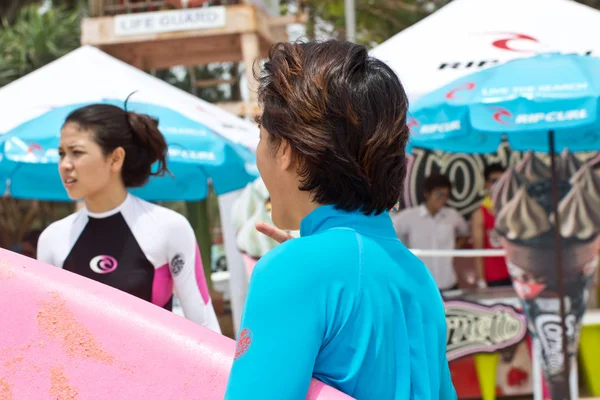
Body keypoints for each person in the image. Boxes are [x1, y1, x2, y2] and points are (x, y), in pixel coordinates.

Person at [225, 40, 455, 399]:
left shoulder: (291, 270)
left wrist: (302, 267)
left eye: (262, 136)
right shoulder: (416, 276)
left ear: (285, 150)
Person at [37, 104, 221, 333]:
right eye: (61, 154)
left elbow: (203, 325)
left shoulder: (168, 228)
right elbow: (47, 331)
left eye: (77, 152)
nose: (65, 165)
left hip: (155, 368)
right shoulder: (52, 239)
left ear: (115, 158)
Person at [392, 174, 470, 291]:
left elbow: (465, 232)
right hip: (421, 285)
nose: (442, 199)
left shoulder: (452, 215)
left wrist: (456, 247)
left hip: (448, 283)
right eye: (438, 194)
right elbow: (388, 230)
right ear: (427, 193)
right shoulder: (410, 216)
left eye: (445, 195)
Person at [471, 163, 511, 288]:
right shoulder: (480, 213)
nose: (498, 184)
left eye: (502, 180)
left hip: (515, 275)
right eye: (494, 181)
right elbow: (478, 249)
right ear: (486, 184)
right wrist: (481, 280)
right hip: (493, 277)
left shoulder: (514, 210)